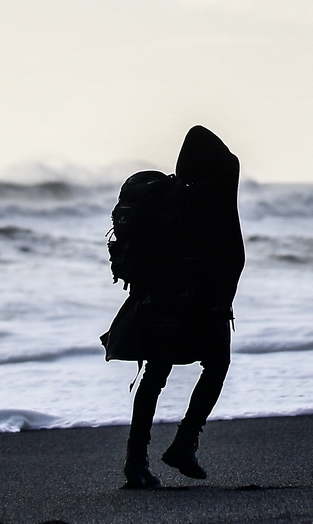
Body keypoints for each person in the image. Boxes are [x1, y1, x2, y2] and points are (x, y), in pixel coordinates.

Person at [101, 125, 245, 488]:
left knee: (154, 375)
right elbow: (232, 252)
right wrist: (222, 298)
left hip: (157, 298)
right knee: (216, 364)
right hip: (198, 300)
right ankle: (184, 443)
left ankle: (135, 463)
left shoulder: (169, 196)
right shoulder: (214, 192)